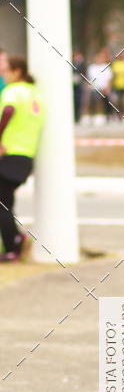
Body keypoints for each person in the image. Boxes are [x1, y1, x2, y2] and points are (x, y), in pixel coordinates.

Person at [0, 56, 44, 262]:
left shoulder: (13, 90)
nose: (3, 74)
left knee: (2, 203)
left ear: (17, 72)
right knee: (6, 201)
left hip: (9, 155)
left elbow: (8, 110)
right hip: (25, 157)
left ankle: (12, 247)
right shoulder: (34, 95)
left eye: (6, 70)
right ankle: (17, 239)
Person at [111, 50, 124, 119]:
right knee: (116, 100)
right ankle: (117, 113)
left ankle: (122, 114)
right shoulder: (115, 64)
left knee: (122, 101)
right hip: (116, 85)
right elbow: (113, 75)